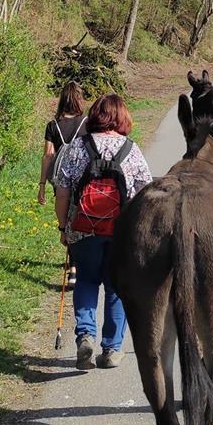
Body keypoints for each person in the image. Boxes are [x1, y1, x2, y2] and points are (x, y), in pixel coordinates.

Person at [53, 93, 152, 370]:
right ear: (122, 118)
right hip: (121, 234)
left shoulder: (76, 148)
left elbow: (62, 193)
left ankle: (86, 335)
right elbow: (146, 193)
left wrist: (64, 227)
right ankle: (112, 349)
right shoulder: (131, 150)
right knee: (116, 288)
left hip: (83, 229)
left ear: (96, 115)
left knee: (85, 281)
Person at [37, 80, 87, 206]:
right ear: (80, 100)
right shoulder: (87, 123)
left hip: (61, 179)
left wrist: (42, 185)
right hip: (82, 178)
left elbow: (48, 155)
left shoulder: (52, 125)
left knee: (62, 214)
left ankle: (64, 226)